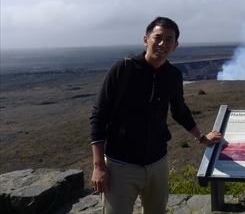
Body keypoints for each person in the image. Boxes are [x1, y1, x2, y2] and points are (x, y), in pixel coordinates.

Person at [90, 17, 222, 214]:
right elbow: (99, 116)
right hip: (121, 166)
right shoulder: (124, 69)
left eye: (169, 40)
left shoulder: (173, 75)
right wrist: (99, 166)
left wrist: (201, 137)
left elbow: (180, 111)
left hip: (157, 164)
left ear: (175, 46)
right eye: (157, 38)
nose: (162, 44)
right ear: (146, 39)